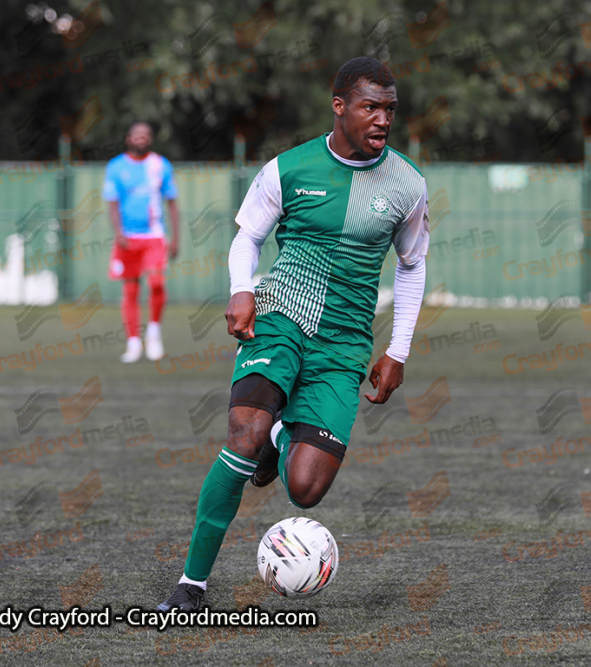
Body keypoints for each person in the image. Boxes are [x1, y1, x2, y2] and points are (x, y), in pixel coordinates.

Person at [157, 56, 429, 611]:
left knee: (305, 489)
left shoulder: (408, 185)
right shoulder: (289, 168)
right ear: (339, 106)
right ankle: (192, 585)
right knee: (242, 434)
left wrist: (397, 350)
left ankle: (280, 440)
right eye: (370, 107)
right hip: (280, 318)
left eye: (390, 110)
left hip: (344, 344)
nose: (382, 120)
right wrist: (241, 288)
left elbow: (411, 265)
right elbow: (247, 237)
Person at [103, 121, 180, 362]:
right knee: (130, 290)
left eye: (146, 135)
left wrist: (176, 238)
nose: (141, 138)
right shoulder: (116, 167)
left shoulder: (160, 165)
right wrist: (118, 232)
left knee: (157, 283)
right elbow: (112, 203)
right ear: (128, 138)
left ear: (151, 138)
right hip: (128, 238)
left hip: (155, 235)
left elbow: (172, 203)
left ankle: (153, 335)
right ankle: (133, 342)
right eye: (137, 135)